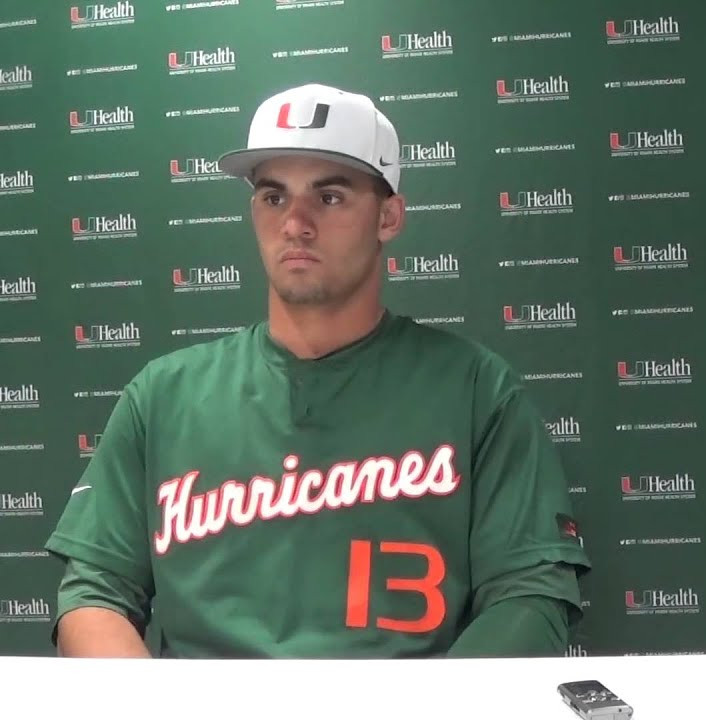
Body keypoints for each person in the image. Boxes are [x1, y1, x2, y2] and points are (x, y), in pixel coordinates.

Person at [45, 83, 590, 658]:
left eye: (329, 198)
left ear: (389, 216)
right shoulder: (162, 396)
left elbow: (531, 595)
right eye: (274, 197)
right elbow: (94, 594)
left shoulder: (476, 389)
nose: (295, 223)